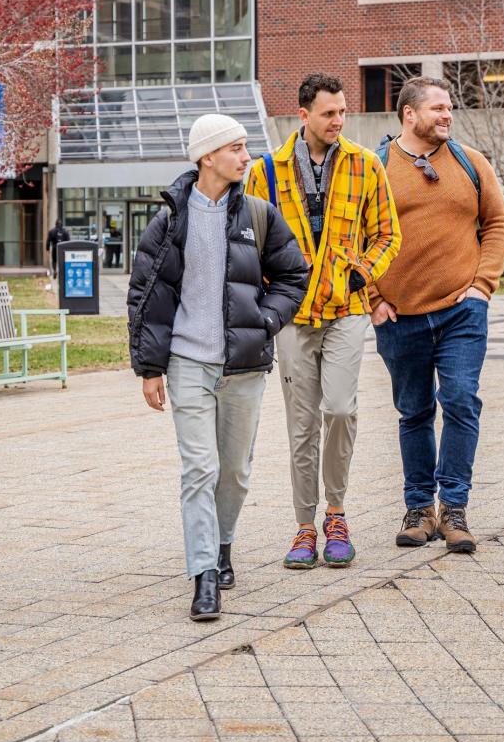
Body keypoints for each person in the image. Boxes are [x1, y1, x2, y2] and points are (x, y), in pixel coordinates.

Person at [128, 114, 308, 620]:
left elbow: (294, 274)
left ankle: (223, 544)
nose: (245, 156)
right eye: (236, 147)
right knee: (199, 469)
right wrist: (149, 367)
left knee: (234, 471)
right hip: (188, 363)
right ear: (208, 156)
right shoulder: (169, 222)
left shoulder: (259, 213)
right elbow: (145, 296)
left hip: (245, 365)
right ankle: (204, 574)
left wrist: (266, 321)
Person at [245, 73, 400, 570]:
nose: (338, 121)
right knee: (301, 424)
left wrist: (363, 275)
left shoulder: (366, 164)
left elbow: (388, 234)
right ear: (303, 115)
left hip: (346, 310)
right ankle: (305, 526)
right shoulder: (265, 171)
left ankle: (337, 512)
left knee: (338, 410)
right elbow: (247, 241)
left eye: (342, 112)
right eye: (329, 113)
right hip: (290, 315)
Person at [369, 77, 504, 554]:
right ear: (409, 114)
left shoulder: (472, 163)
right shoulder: (378, 166)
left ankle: (453, 508)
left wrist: (481, 286)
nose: (447, 115)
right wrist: (373, 297)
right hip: (399, 315)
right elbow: (354, 237)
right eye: (437, 108)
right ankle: (418, 509)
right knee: (414, 413)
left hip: (461, 311)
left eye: (450, 107)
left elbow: (497, 223)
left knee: (461, 399)